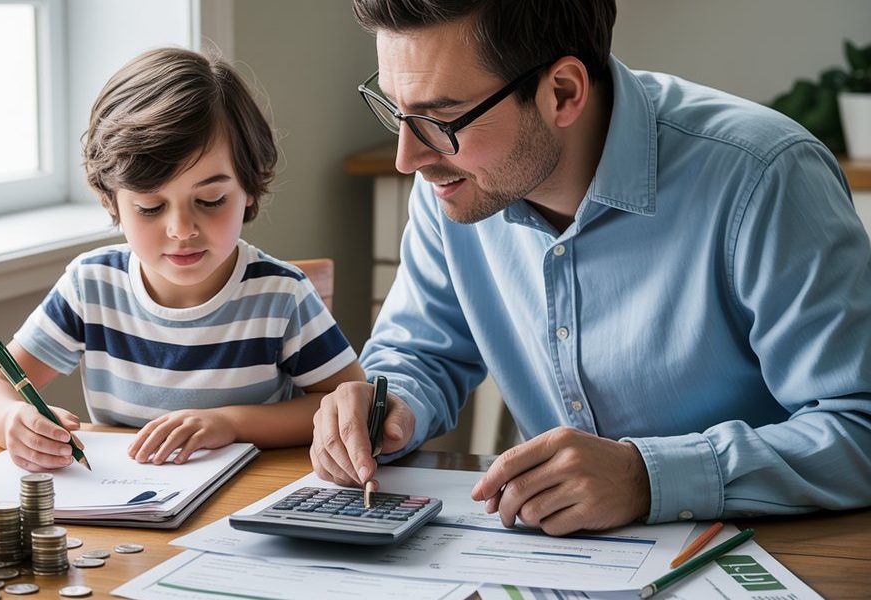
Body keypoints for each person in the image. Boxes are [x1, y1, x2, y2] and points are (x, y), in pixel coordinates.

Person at [312, 0, 871, 535]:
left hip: (774, 551)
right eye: (397, 111)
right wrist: (387, 406)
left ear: (562, 92)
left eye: (443, 117)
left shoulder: (765, 178)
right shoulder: (453, 180)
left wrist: (646, 478)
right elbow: (421, 353)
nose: (408, 158)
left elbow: (858, 427)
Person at [0, 47, 364, 472]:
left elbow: (344, 404)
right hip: (128, 511)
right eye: (151, 208)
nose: (181, 229)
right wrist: (14, 418)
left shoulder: (280, 295)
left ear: (249, 187)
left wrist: (230, 422)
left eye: (210, 199)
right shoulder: (92, 285)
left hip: (243, 507)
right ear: (112, 201)